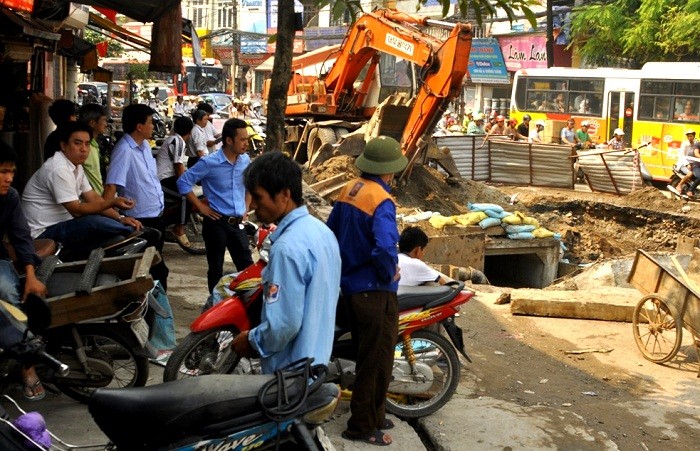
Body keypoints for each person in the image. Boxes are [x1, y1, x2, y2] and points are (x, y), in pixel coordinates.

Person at [327, 136, 407, 447]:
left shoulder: (349, 190)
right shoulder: (381, 200)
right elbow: (385, 247)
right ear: (389, 171)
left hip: (350, 288)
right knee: (377, 360)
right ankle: (361, 427)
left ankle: (376, 413)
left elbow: (331, 230)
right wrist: (391, 272)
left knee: (368, 357)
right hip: (375, 291)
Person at [231, 151, 341, 373]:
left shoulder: (286, 248)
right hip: (315, 365)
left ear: (284, 194)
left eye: (258, 197)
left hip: (288, 377)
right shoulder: (322, 232)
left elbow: (283, 325)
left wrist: (252, 341)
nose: (252, 206)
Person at [22, 122, 139, 248]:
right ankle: (133, 232)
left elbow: (92, 197)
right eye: (77, 143)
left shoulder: (76, 166)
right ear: (63, 145)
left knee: (97, 221)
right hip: (41, 233)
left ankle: (128, 230)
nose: (84, 149)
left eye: (87, 144)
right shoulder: (58, 168)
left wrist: (120, 218)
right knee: (91, 222)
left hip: (62, 224)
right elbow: (76, 211)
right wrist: (112, 202)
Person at [177, 118, 254, 294]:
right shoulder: (209, 162)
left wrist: (246, 206)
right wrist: (200, 206)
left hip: (238, 223)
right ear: (229, 140)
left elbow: (251, 183)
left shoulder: (245, 161)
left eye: (247, 139)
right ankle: (214, 306)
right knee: (216, 269)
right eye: (242, 139)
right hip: (216, 222)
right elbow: (183, 183)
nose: (246, 143)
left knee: (247, 268)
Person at [0, 141, 47, 401]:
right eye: (3, 171)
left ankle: (27, 366)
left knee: (10, 296)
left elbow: (21, 237)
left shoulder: (11, 197)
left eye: (12, 172)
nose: (8, 178)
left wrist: (30, 275)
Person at [104, 103, 170, 289]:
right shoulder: (124, 150)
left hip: (156, 215)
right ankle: (157, 314)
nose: (153, 127)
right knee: (155, 270)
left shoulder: (145, 147)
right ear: (139, 126)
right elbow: (111, 187)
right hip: (140, 219)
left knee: (154, 266)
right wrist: (114, 215)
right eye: (150, 122)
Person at [156, 116, 194, 246]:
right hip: (162, 180)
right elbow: (178, 166)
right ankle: (179, 228)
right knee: (186, 197)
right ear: (190, 131)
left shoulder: (174, 139)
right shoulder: (178, 141)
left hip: (167, 178)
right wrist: (185, 183)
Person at [77, 103, 109, 195]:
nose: (106, 124)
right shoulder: (86, 148)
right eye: (104, 120)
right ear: (92, 123)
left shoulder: (94, 145)